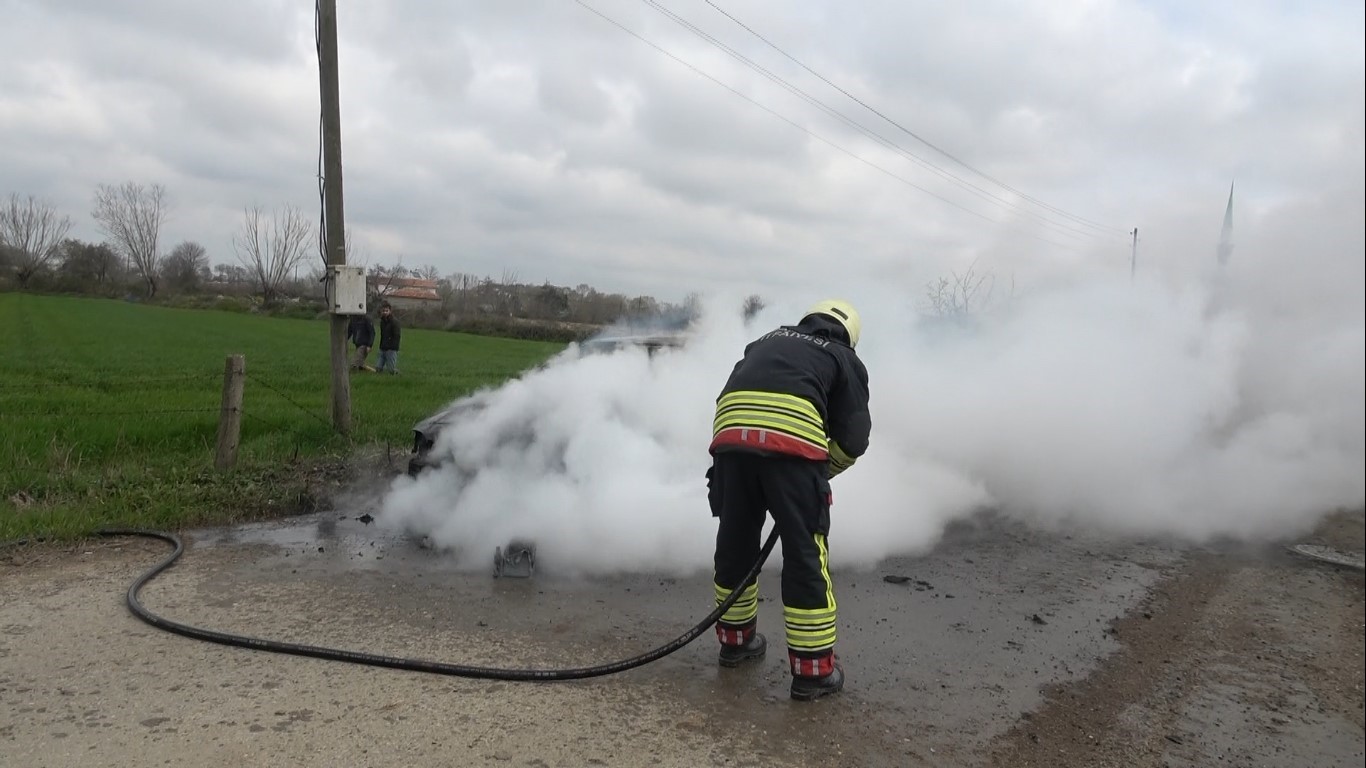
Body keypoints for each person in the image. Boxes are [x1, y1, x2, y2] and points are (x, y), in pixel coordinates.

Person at [706, 298, 871, 701]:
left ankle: (735, 644)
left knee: (736, 543)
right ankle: (813, 673)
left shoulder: (764, 340)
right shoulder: (841, 355)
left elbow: (732, 392)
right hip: (792, 448)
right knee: (804, 555)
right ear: (849, 334)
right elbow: (854, 437)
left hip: (730, 440)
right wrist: (819, 471)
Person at [376, 301, 402, 374]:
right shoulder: (382, 322)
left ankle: (398, 375)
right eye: (383, 311)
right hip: (383, 347)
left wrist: (393, 347)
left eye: (386, 311)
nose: (385, 312)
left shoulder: (394, 322)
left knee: (391, 370)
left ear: (390, 311)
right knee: (378, 368)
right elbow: (382, 335)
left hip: (391, 348)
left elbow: (397, 336)